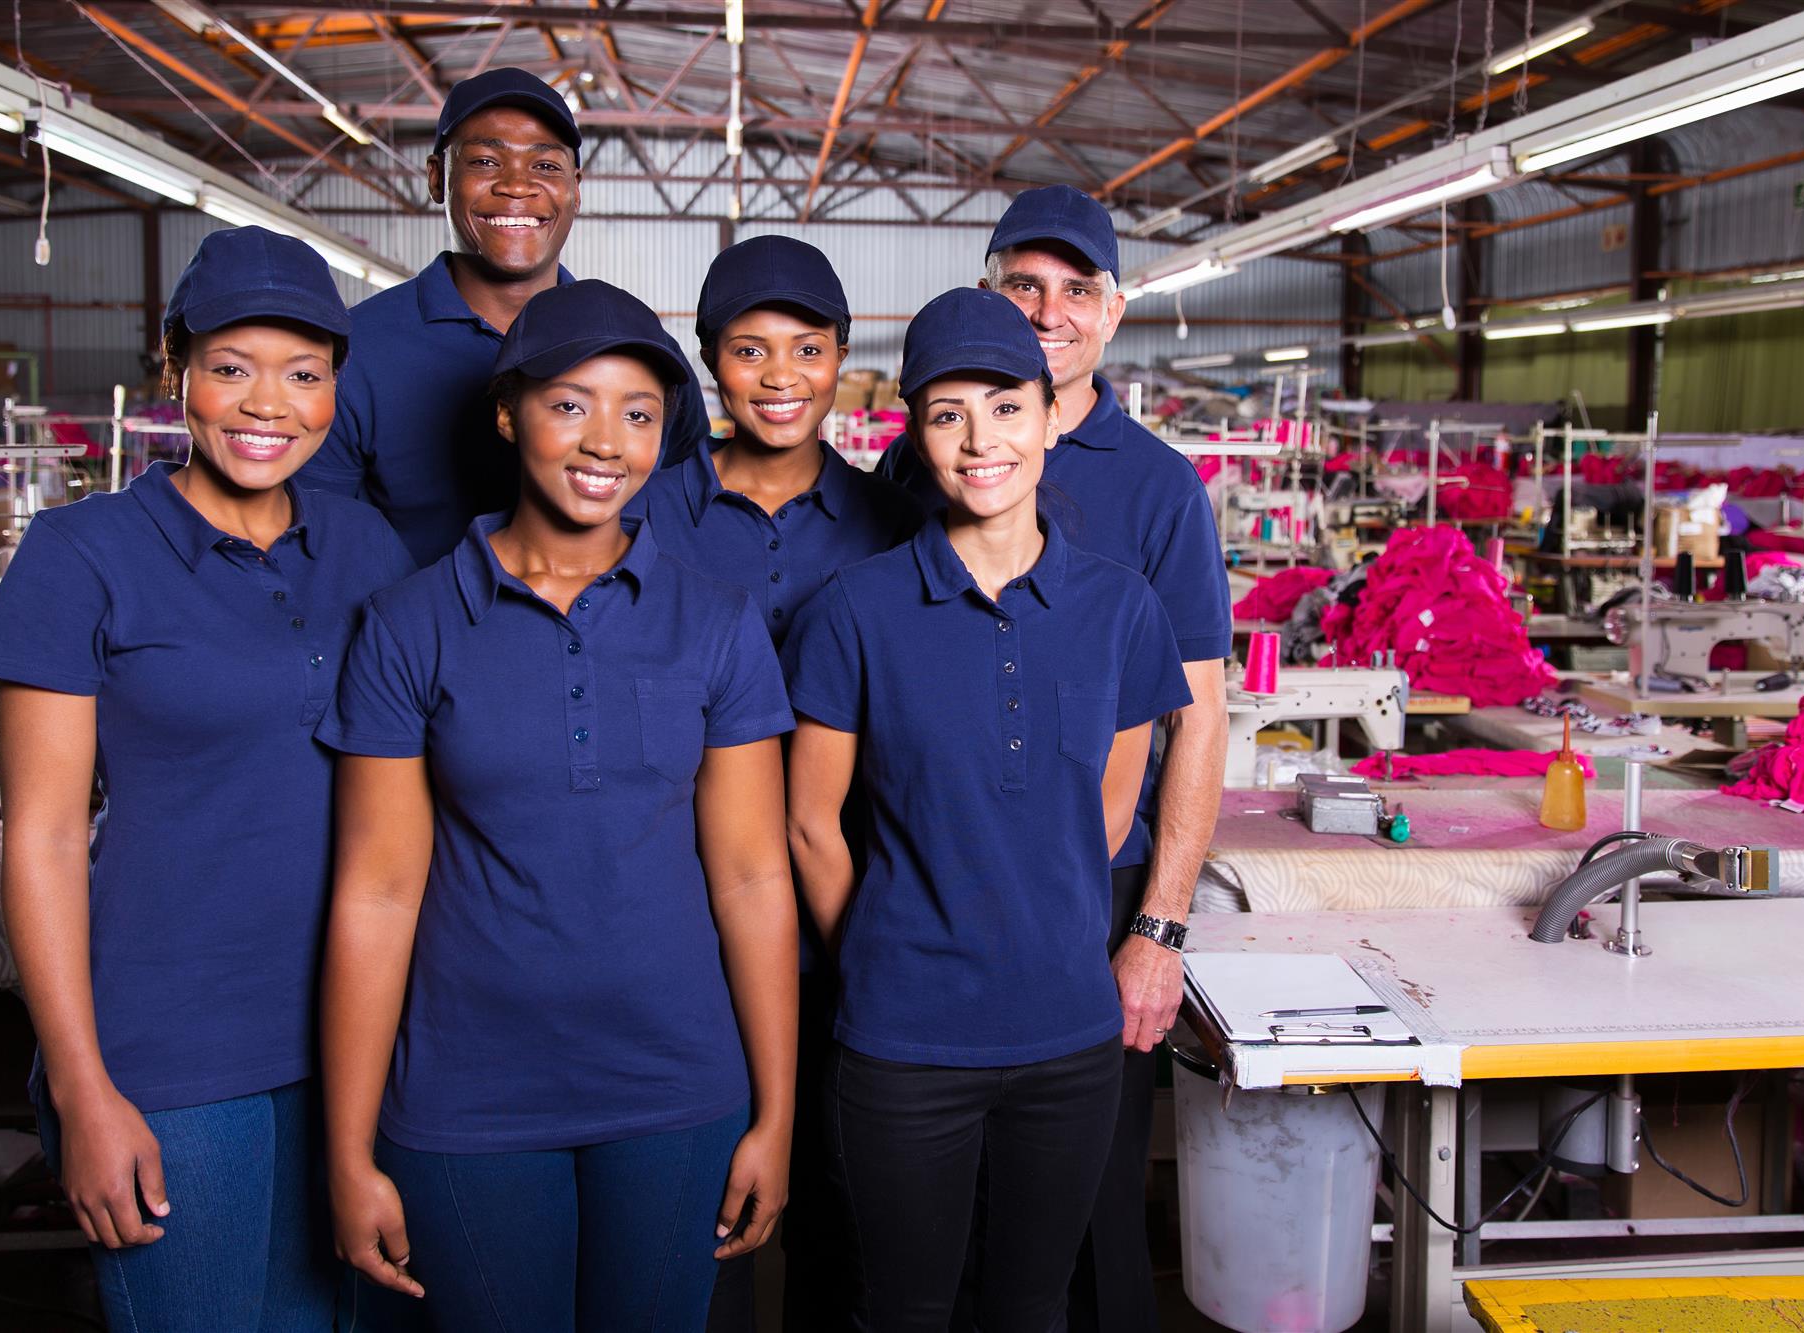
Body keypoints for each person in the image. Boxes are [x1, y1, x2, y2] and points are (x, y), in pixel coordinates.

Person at [317, 280, 798, 1330]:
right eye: (570, 403)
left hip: (676, 1088)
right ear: (507, 413)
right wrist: (348, 1149)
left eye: (637, 411)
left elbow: (756, 877)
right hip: (466, 1094)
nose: (605, 441)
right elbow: (377, 893)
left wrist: (776, 1113)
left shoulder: (715, 624)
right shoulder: (411, 623)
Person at [0, 226, 415, 1330]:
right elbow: (46, 836)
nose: (268, 405)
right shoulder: (84, 553)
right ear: (174, 369)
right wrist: (80, 1082)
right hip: (172, 1048)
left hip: (371, 1037)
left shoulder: (372, 550)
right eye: (231, 368)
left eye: (304, 375)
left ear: (336, 389)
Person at [783, 287, 1192, 1332]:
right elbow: (809, 823)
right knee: (905, 1307)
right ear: (914, 435)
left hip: (1066, 1038)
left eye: (1006, 407)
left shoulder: (1119, 609)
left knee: (1031, 1304)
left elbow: (1107, 812)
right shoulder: (854, 612)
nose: (981, 440)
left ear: (1053, 417)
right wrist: (876, 950)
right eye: (947, 412)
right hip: (901, 1041)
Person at [878, 185, 1233, 1332]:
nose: (1050, 310)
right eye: (1023, 285)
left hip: (1095, 900)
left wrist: (1158, 926)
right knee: (920, 1233)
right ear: (987, 293)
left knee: (1081, 1222)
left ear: (1114, 310)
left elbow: (1199, 717)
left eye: (1076, 289)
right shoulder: (916, 467)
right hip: (929, 900)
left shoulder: (1159, 486)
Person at [629, 234, 917, 1332]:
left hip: (852, 915)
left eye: (807, 348)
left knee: (847, 1216)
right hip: (688, 922)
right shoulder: (646, 514)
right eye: (750, 350)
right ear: (710, 364)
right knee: (698, 1214)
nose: (781, 375)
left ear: (842, 356)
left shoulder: (891, 523)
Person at [298, 67, 709, 567]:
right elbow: (313, 549)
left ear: (576, 189)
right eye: (486, 161)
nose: (517, 186)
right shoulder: (354, 350)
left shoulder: (640, 351)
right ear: (436, 178)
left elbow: (688, 511)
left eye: (546, 167)